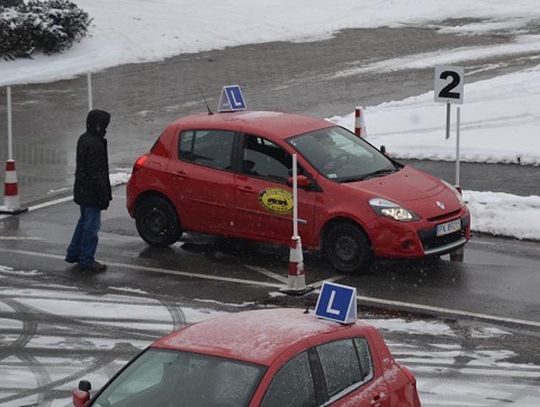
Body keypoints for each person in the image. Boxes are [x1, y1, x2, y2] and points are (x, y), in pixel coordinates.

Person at [65, 109, 112, 272]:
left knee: (83, 223)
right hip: (92, 194)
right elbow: (97, 173)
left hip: (83, 191)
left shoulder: (84, 139)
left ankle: (74, 253)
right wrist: (104, 195)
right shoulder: (95, 144)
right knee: (91, 227)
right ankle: (86, 259)